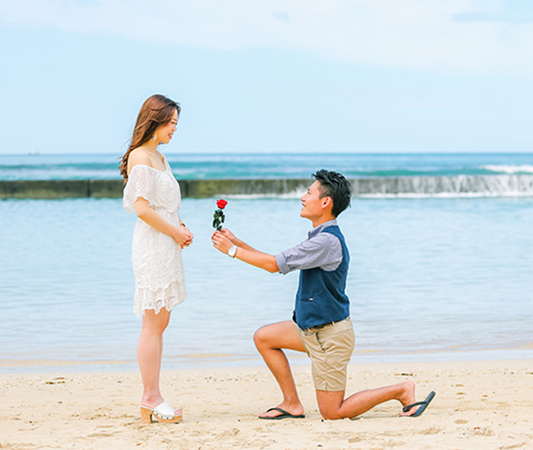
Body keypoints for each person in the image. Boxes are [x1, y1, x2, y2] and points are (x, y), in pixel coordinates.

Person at [211, 169, 435, 420]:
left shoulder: (325, 242)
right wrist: (237, 242)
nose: (302, 198)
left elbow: (274, 265)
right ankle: (291, 403)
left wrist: (231, 251)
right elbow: (276, 261)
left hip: (330, 337)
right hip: (310, 330)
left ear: (325, 202)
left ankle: (401, 390)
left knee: (332, 412)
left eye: (308, 192)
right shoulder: (320, 238)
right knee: (265, 338)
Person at [120, 94, 193, 424]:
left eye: (177, 123)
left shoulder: (160, 158)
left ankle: (153, 394)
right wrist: (174, 232)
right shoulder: (141, 157)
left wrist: (180, 227)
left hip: (167, 242)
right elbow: (142, 208)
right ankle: (150, 396)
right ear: (156, 120)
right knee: (152, 322)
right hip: (153, 244)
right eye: (171, 122)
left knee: (161, 321)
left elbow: (165, 205)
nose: (175, 128)